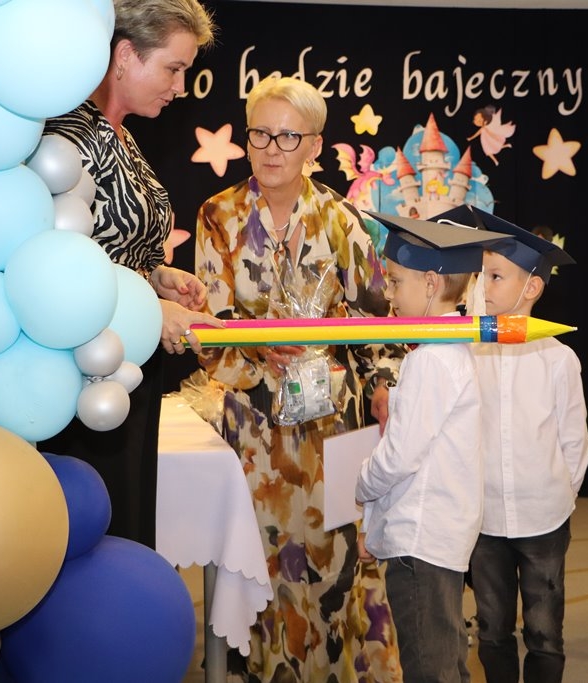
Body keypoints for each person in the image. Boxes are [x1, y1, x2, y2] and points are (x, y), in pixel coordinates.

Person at [193, 76, 404, 682]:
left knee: (339, 567)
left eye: (288, 136)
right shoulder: (218, 215)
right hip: (254, 434)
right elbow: (208, 325)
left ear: (314, 145)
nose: (271, 148)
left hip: (335, 426)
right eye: (260, 133)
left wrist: (385, 384)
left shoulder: (343, 220)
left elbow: (378, 322)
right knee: (259, 567)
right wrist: (261, 348)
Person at [37, 0, 223, 549]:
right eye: (173, 68)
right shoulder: (69, 135)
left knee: (128, 519)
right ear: (124, 55)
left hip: (128, 365)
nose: (181, 87)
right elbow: (59, 264)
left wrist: (156, 275)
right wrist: (152, 307)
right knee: (94, 527)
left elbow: (110, 246)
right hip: (86, 373)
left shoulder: (121, 135)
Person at [355, 211, 503, 683]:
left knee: (430, 667)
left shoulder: (432, 360)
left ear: (432, 283)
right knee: (446, 659)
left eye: (397, 282)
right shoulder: (449, 351)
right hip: (438, 537)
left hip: (422, 542)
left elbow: (399, 456)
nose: (390, 294)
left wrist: (359, 484)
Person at [465, 207, 588, 683]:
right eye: (482, 275)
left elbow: (574, 441)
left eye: (496, 276)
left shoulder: (558, 359)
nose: (484, 286)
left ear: (532, 287)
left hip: (544, 519)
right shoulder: (468, 352)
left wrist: (560, 495)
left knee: (544, 633)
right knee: (492, 630)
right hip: (486, 520)